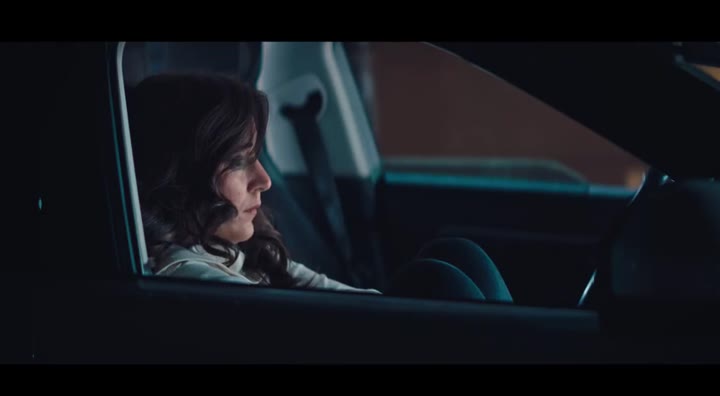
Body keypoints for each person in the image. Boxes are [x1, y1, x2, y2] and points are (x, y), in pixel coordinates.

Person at [127, 72, 512, 303]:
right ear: (183, 176)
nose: (265, 180)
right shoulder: (189, 280)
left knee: (454, 255)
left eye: (257, 157)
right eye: (239, 162)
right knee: (437, 280)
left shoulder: (228, 245)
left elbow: (339, 297)